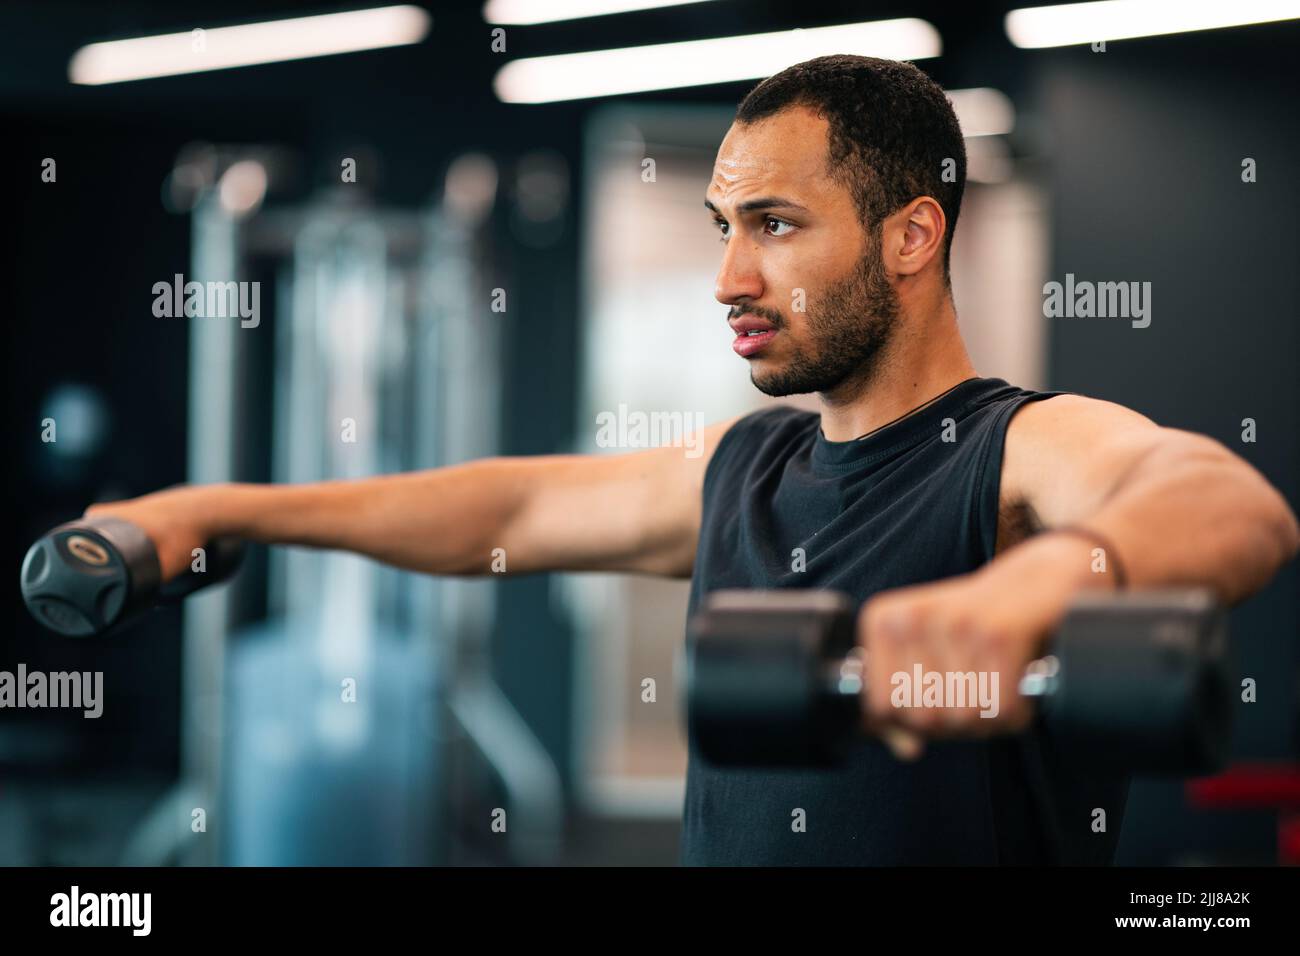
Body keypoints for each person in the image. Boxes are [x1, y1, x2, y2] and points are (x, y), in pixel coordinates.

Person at [85, 55, 1298, 865]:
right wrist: (218, 503)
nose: (729, 279)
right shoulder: (746, 467)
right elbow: (507, 502)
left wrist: (1041, 582)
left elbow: (1227, 502)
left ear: (912, 233)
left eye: (774, 226)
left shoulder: (1014, 448)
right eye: (724, 229)